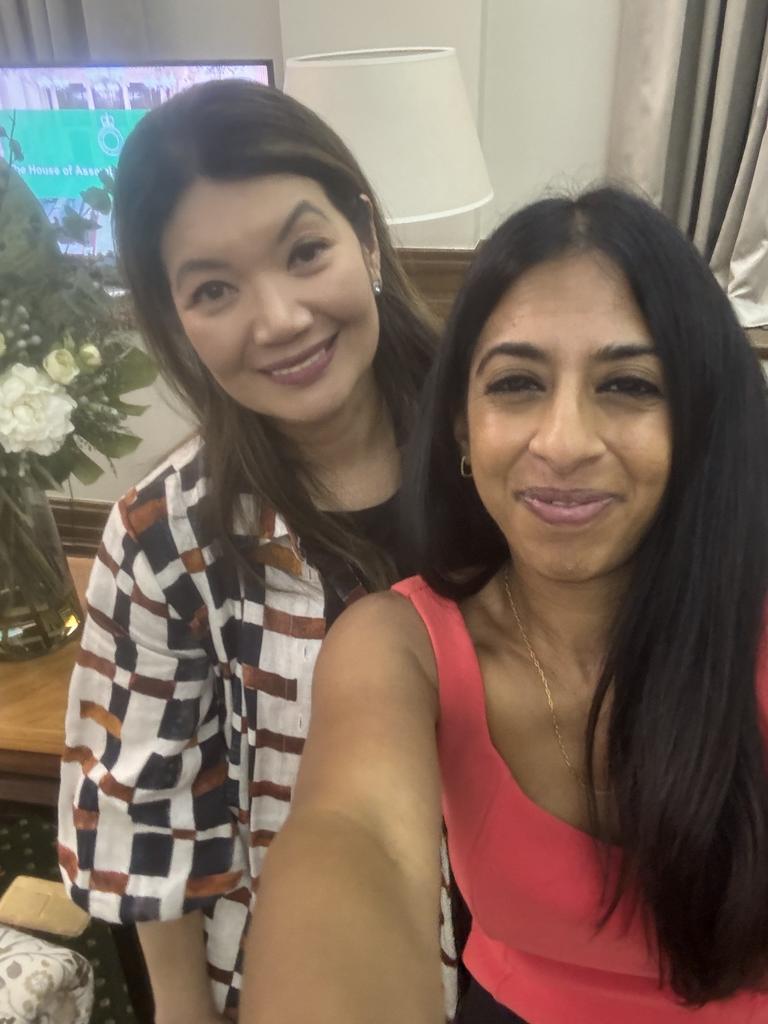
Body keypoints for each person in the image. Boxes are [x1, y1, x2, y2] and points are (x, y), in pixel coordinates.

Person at [241, 186, 768, 1023]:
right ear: (459, 426)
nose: (562, 442)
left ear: (698, 420)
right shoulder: (399, 643)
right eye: (517, 383)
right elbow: (356, 839)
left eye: (629, 385)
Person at [56, 79, 462, 1023]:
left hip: (542, 956)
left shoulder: (501, 444)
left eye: (305, 251)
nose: (277, 320)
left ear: (364, 233)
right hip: (309, 970)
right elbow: (145, 810)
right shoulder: (167, 536)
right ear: (173, 317)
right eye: (214, 290)